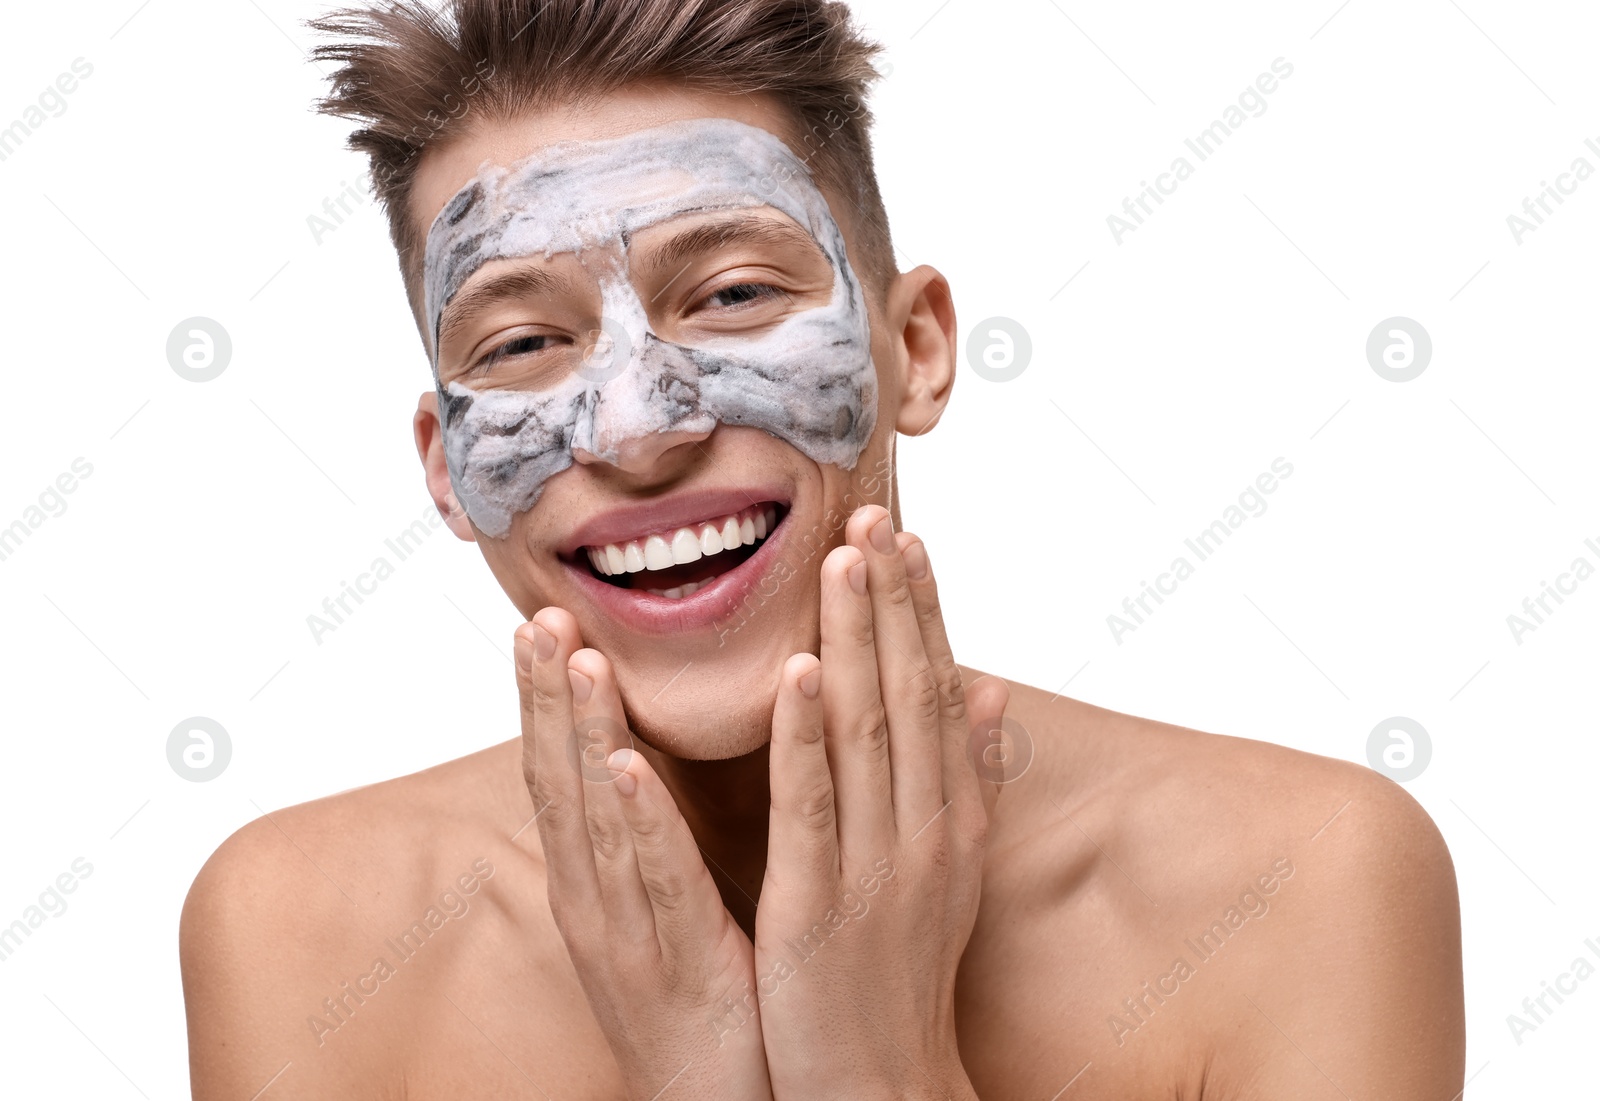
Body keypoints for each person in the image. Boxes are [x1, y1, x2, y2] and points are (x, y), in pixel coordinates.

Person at [179, 2, 1465, 1097]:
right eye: (519, 344)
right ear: (446, 465)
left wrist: (876, 1071)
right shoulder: (302, 934)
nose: (635, 428)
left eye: (733, 293)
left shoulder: (1304, 888)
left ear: (916, 349)